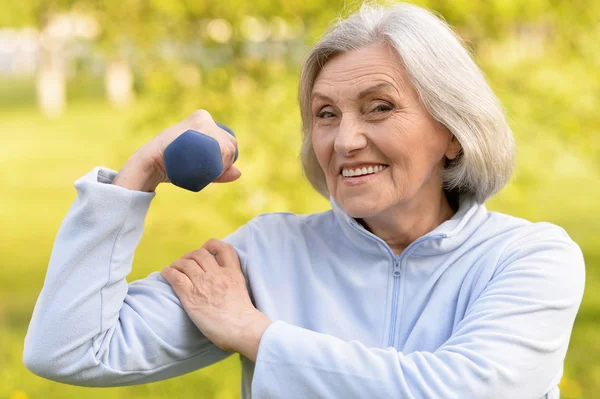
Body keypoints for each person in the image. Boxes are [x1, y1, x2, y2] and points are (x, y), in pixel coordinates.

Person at [23, 3, 585, 398]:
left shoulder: (530, 258)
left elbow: (457, 392)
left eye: (379, 107)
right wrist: (135, 177)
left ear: (453, 130)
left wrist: (253, 332)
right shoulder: (267, 254)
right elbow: (68, 349)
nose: (344, 140)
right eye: (325, 114)